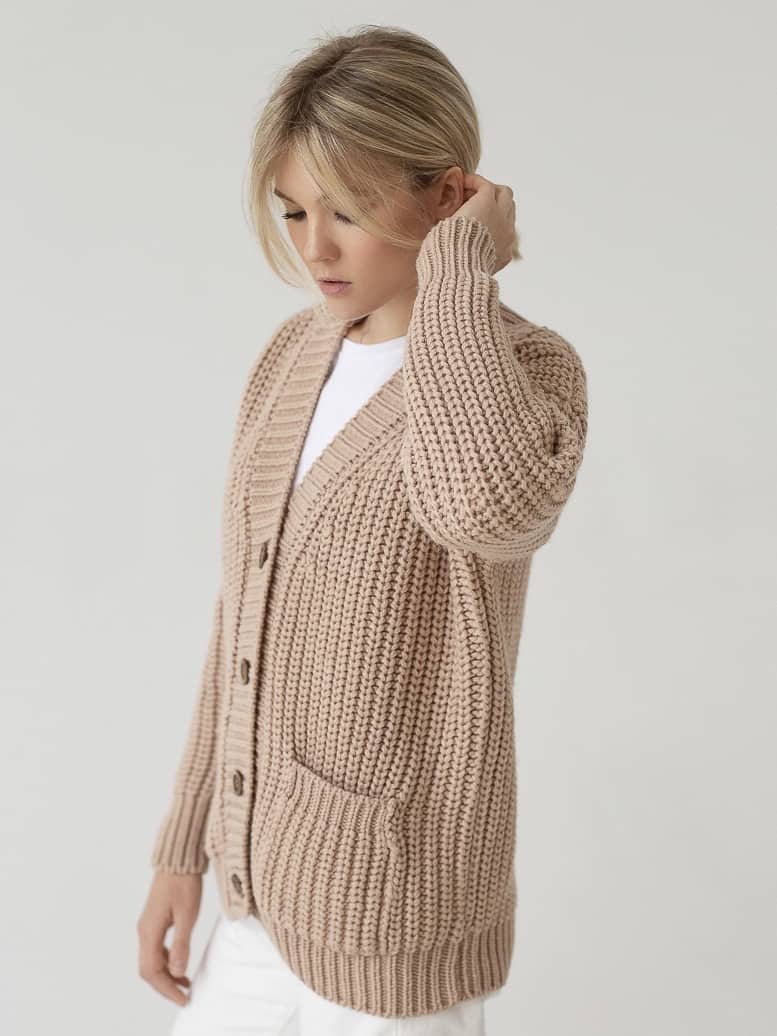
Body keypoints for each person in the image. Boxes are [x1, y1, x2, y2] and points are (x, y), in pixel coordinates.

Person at [137, 23, 588, 1036]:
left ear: (448, 196)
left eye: (348, 210)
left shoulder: (530, 372)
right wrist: (183, 844)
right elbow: (242, 620)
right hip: (253, 904)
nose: (315, 247)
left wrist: (461, 280)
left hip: (394, 913)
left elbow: (488, 510)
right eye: (294, 210)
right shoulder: (290, 358)